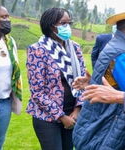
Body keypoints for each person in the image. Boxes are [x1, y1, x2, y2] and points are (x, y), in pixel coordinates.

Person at [26, 8, 86, 150]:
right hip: (47, 117)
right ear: (50, 25)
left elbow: (83, 82)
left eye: (69, 23)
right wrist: (61, 117)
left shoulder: (75, 48)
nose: (68, 27)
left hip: (72, 113)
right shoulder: (38, 50)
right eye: (63, 23)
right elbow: (37, 92)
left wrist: (77, 110)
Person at [0, 5, 22, 150]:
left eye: (8, 17)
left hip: (4, 102)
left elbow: (15, 71)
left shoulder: (9, 43)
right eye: (3, 17)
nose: (8, 20)